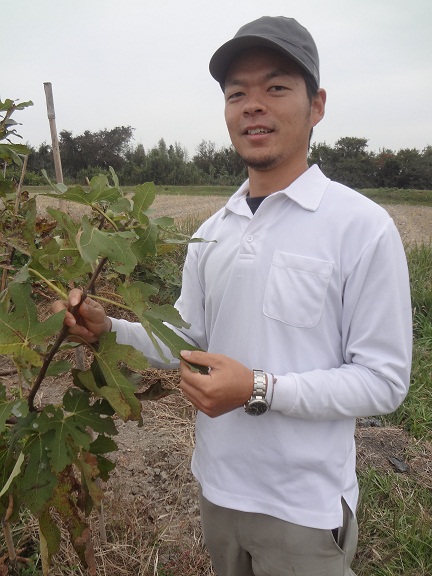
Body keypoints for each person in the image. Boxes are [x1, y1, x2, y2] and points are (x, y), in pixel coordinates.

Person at [54, 16, 412, 576]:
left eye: (276, 87)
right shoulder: (213, 231)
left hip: (304, 508)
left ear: (317, 106)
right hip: (217, 490)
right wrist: (109, 330)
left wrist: (258, 388)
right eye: (236, 93)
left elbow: (383, 380)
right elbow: (188, 338)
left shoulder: (361, 228)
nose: (253, 106)